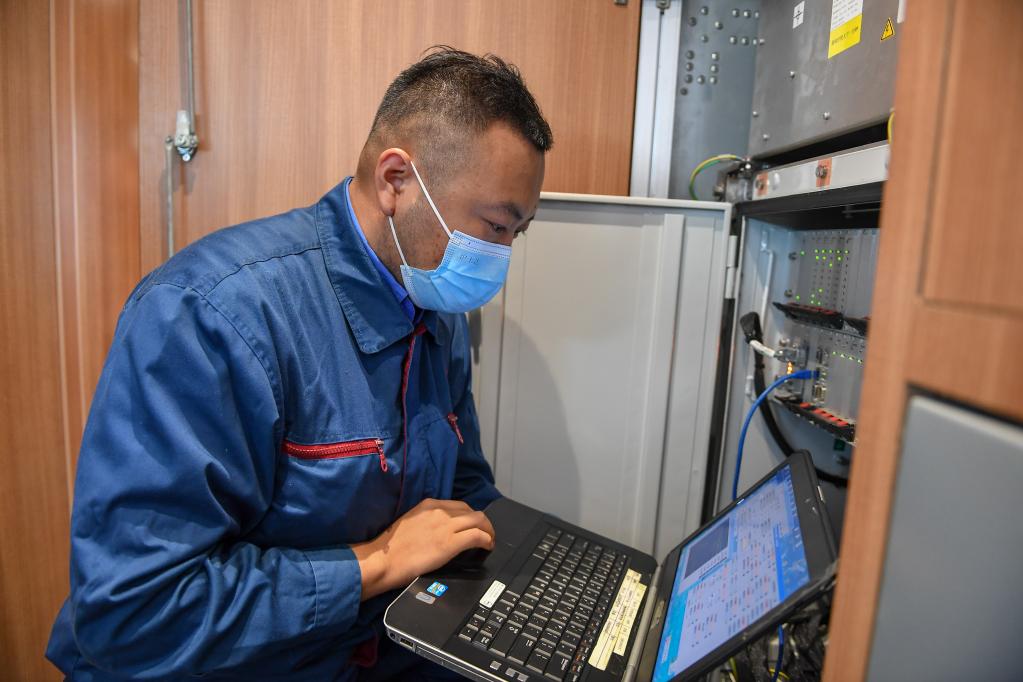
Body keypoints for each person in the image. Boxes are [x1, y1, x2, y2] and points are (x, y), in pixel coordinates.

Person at [46, 46, 552, 681]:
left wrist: (538, 577)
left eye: (516, 234)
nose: (501, 256)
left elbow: (463, 490)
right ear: (396, 181)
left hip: (374, 645)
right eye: (496, 227)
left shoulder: (434, 308)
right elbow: (133, 613)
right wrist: (377, 562)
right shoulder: (210, 315)